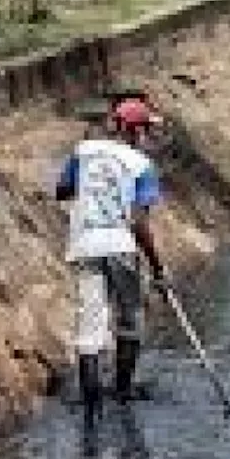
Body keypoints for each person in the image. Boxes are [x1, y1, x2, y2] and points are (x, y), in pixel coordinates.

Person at [56, 98, 167, 419]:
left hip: (85, 245)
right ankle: (122, 389)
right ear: (136, 131)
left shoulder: (84, 151)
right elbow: (139, 223)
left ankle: (91, 405)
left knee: (90, 324)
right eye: (146, 129)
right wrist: (158, 266)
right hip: (120, 246)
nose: (148, 136)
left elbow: (63, 189)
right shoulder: (141, 165)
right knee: (129, 318)